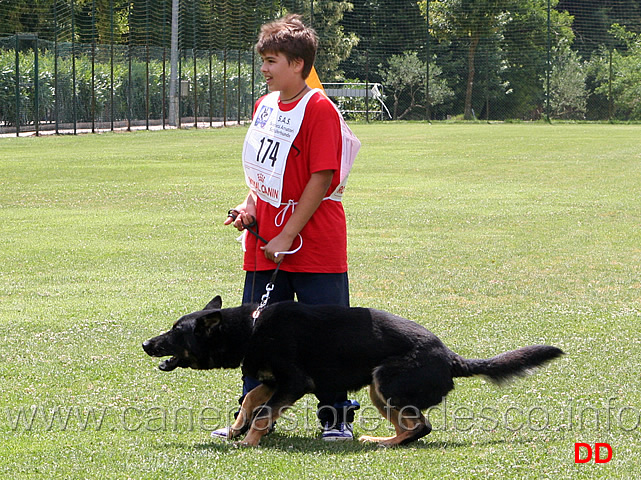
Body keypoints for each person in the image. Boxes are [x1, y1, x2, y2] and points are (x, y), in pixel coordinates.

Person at [213, 14, 360, 442]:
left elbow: (321, 177)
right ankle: (252, 420)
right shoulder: (264, 106)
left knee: (327, 334)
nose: (264, 68)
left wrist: (288, 234)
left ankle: (336, 419)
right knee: (256, 334)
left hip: (313, 241)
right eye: (264, 60)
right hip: (267, 237)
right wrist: (249, 207)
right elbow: (263, 172)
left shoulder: (320, 109)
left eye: (272, 60)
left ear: (298, 64)